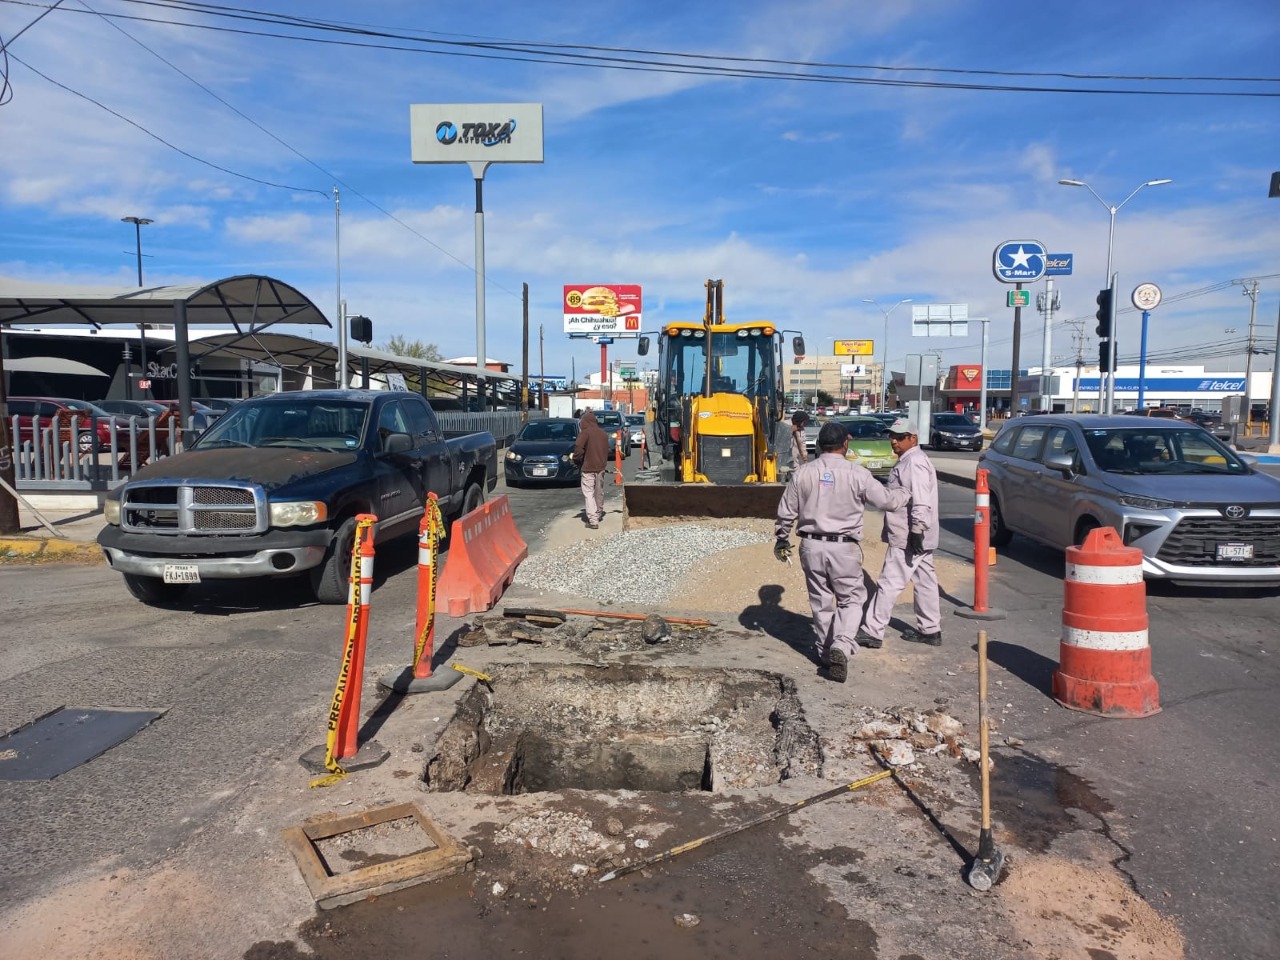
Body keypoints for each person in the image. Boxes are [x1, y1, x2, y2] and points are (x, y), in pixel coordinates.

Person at [775, 421, 910, 683]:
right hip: (844, 548)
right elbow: (887, 501)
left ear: (820, 446)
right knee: (851, 599)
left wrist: (781, 539)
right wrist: (904, 493)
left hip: (810, 546)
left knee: (820, 600)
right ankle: (842, 644)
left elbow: (786, 511)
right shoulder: (857, 474)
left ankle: (826, 655)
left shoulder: (803, 473)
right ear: (845, 445)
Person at [858, 418, 942, 648]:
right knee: (925, 581)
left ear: (912, 439)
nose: (893, 441)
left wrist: (916, 530)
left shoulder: (913, 463)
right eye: (891, 436)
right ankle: (930, 629)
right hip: (918, 533)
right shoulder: (910, 460)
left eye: (899, 437)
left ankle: (872, 631)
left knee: (889, 581)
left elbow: (922, 501)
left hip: (909, 534)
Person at [571, 409, 609, 529]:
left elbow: (578, 447)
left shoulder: (585, 433)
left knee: (589, 493)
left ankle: (593, 520)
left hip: (588, 468)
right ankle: (598, 513)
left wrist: (576, 459)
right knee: (599, 492)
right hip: (601, 467)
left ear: (584, 421)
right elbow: (607, 451)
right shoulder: (603, 434)